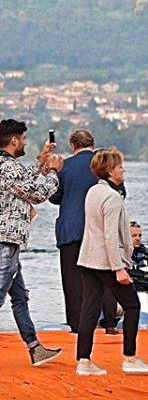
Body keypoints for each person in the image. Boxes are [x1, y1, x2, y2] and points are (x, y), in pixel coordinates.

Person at [75, 148, 148, 375]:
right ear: (110, 171)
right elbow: (110, 235)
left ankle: (84, 361)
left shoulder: (92, 191)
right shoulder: (112, 198)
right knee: (132, 305)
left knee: (89, 310)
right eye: (120, 167)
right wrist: (119, 267)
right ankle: (130, 357)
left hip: (88, 258)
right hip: (106, 262)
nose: (123, 170)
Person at [0, 119, 64, 367]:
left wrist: (41, 159)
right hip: (6, 242)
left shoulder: (7, 166)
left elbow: (24, 178)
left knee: (20, 298)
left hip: (10, 242)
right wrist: (55, 172)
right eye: (24, 139)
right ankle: (34, 347)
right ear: (14, 140)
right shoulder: (6, 168)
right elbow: (35, 194)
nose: (25, 142)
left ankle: (35, 348)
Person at [50, 129, 119, 335]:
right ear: (92, 143)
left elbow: (54, 197)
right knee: (105, 276)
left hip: (71, 229)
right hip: (99, 227)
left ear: (73, 146)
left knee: (72, 280)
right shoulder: (103, 164)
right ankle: (109, 323)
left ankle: (76, 324)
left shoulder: (65, 167)